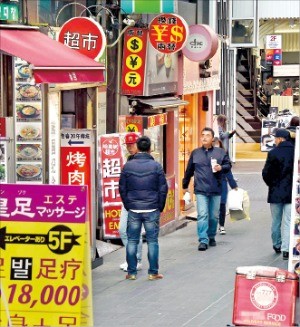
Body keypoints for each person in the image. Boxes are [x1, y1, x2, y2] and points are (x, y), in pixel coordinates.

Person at [119, 136, 168, 280]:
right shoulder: (156, 166)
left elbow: (122, 188)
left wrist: (128, 205)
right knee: (152, 241)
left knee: (132, 240)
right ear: (150, 149)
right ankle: (153, 272)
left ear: (138, 148)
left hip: (134, 208)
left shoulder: (128, 166)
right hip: (152, 208)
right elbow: (163, 189)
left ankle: (132, 272)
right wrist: (160, 206)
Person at [182, 127, 231, 251]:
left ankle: (211, 235)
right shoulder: (196, 153)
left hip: (216, 188)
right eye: (202, 135)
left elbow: (228, 165)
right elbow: (189, 171)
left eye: (207, 135)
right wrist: (185, 185)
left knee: (214, 216)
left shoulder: (220, 152)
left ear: (212, 138)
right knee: (202, 214)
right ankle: (203, 240)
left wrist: (222, 168)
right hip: (200, 189)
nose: (204, 137)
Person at [262, 128, 295, 260]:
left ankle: (277, 244)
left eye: (275, 138)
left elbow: (265, 173)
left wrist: (271, 184)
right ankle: (286, 250)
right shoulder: (295, 152)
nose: (274, 140)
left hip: (275, 193)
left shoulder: (273, 153)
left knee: (276, 221)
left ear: (281, 139)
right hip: (290, 193)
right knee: (288, 221)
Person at [119, 132, 143, 272]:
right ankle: (131, 258)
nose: (129, 147)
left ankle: (136, 260)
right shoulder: (129, 159)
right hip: (127, 199)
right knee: (122, 229)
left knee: (135, 231)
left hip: (139, 200)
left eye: (132, 144)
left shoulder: (144, 160)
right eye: (127, 145)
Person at [212, 137, 238, 235]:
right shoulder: (207, 156)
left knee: (222, 204)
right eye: (215, 145)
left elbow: (228, 172)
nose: (216, 147)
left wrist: (233, 185)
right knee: (213, 206)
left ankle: (221, 225)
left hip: (222, 183)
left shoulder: (224, 156)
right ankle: (213, 225)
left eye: (218, 145)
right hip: (211, 183)